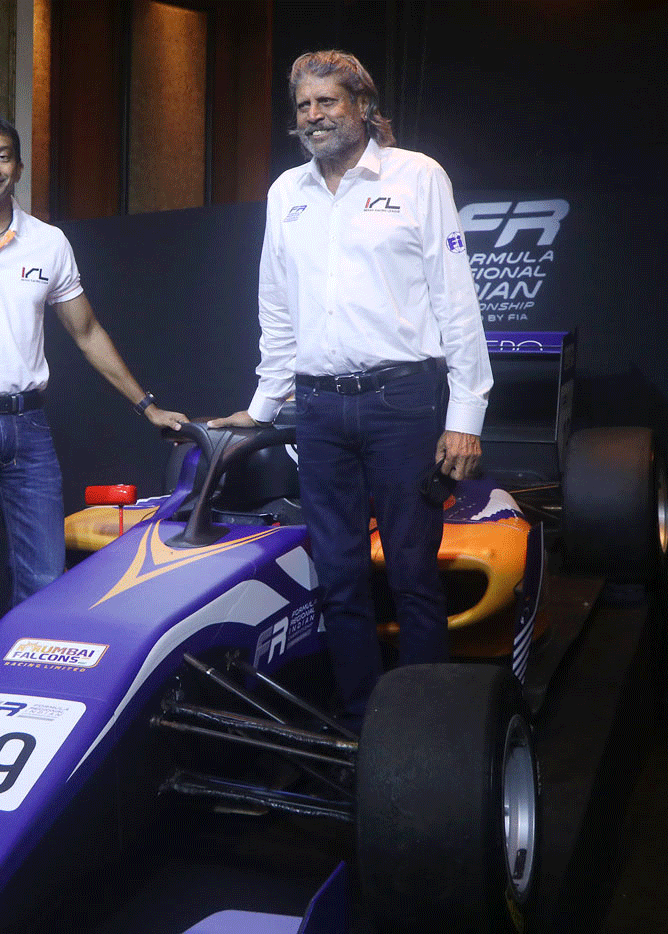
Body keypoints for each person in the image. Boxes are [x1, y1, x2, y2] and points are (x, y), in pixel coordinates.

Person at [210, 51, 492, 729]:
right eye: (304, 106)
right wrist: (260, 408)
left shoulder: (418, 177)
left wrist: (467, 414)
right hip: (320, 410)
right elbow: (275, 310)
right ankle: (365, 726)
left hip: (404, 404)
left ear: (363, 106)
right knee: (337, 578)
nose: (314, 116)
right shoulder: (287, 194)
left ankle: (426, 731)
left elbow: (457, 303)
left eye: (327, 102)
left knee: (412, 576)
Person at [0, 109, 187, 671]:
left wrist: (147, 405)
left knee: (45, 579)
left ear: (17, 166)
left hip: (27, 429)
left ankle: (28, 690)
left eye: (2, 156)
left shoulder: (48, 242)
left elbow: (87, 333)